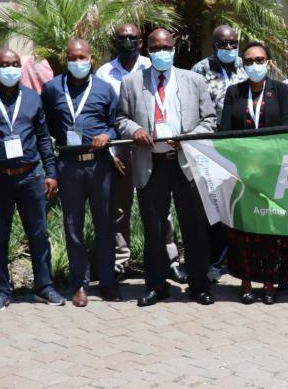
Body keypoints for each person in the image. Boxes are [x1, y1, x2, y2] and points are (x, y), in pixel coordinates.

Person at [116, 28, 218, 307]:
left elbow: (209, 120)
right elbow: (122, 118)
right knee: (154, 228)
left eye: (166, 48)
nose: (162, 52)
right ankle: (156, 286)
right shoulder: (131, 82)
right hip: (151, 164)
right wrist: (135, 130)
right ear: (147, 50)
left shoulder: (193, 80)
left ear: (174, 49)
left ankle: (199, 285)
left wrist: (189, 137)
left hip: (186, 164)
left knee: (194, 227)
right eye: (156, 48)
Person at [0, 48, 65, 312]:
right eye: (5, 65)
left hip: (30, 177)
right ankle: (1, 290)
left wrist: (51, 172)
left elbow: (43, 137)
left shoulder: (31, 97)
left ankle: (44, 286)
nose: (11, 69)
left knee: (39, 235)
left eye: (15, 64)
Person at [94, 24, 184, 284]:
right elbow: (106, 116)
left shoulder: (152, 64)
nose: (128, 41)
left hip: (153, 148)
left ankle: (169, 260)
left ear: (141, 42)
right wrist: (110, 153)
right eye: (123, 37)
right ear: (115, 40)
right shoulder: (104, 73)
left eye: (133, 37)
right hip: (120, 146)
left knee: (162, 209)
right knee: (120, 208)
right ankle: (121, 261)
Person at [221, 42, 288, 304]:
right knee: (244, 228)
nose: (254, 65)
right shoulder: (234, 92)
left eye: (259, 60)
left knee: (271, 228)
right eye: (248, 61)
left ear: (268, 62)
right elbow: (225, 132)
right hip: (243, 172)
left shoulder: (280, 90)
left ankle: (269, 282)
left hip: (273, 171)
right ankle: (245, 281)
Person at [42, 39, 120, 306]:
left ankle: (107, 282)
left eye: (81, 58)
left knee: (104, 224)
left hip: (99, 165)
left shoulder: (104, 89)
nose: (77, 62)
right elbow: (45, 127)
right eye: (72, 58)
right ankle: (79, 284)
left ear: (91, 59)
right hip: (69, 165)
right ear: (66, 59)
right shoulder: (52, 88)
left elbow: (116, 123)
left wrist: (107, 135)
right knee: (72, 225)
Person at [190, 24, 248, 281]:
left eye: (233, 43)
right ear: (214, 45)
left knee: (239, 204)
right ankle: (213, 261)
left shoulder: (245, 66)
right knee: (214, 207)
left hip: (242, 145)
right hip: (211, 147)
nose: (229, 47)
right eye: (223, 44)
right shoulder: (200, 70)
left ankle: (235, 260)